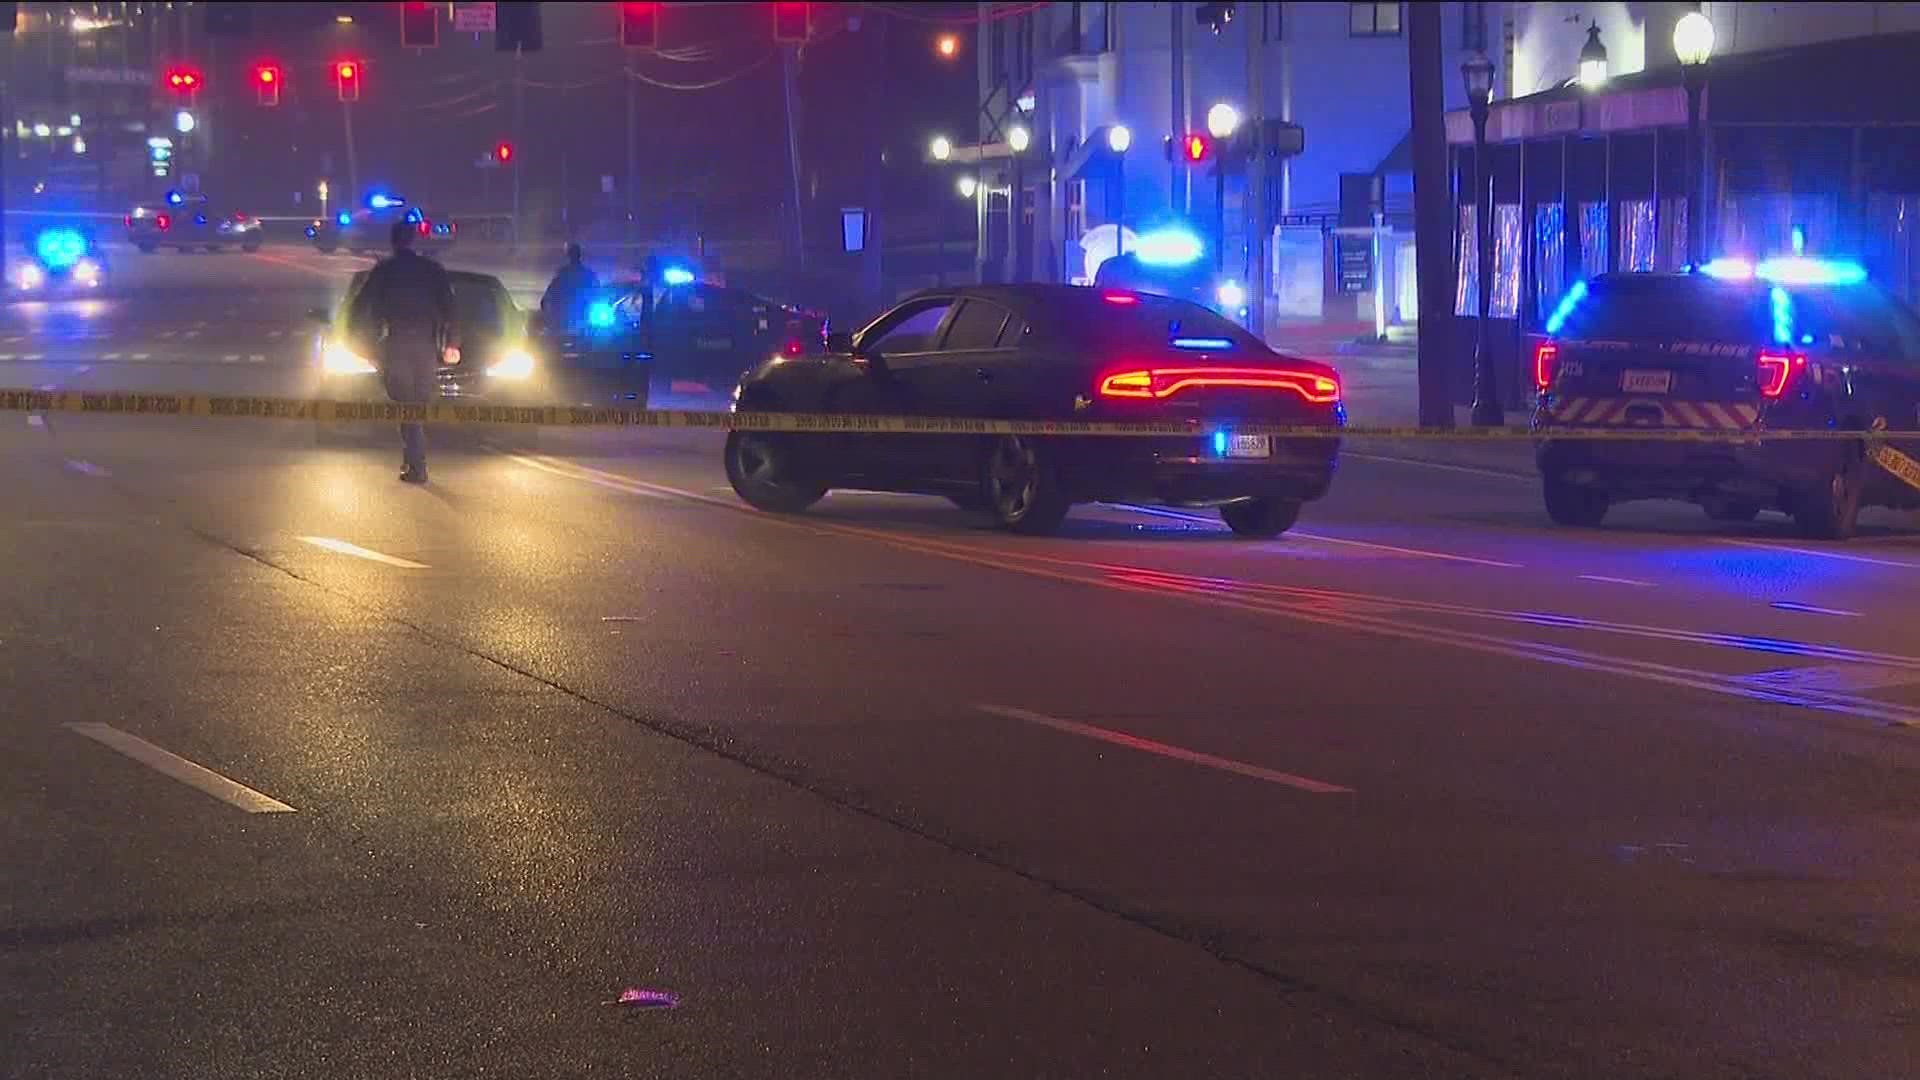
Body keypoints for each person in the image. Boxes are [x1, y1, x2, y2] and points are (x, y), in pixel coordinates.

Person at [350, 221, 458, 484]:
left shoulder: (384, 271)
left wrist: (362, 342)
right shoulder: (432, 270)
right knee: (416, 404)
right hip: (425, 345)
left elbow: (359, 308)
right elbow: (451, 309)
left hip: (396, 343)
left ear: (393, 241)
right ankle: (415, 460)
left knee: (406, 405)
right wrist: (452, 343)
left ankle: (416, 463)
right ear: (413, 240)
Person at [540, 242, 599, 329]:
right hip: (575, 312)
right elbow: (597, 290)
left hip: (573, 312)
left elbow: (552, 288)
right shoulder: (587, 273)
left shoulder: (563, 272)